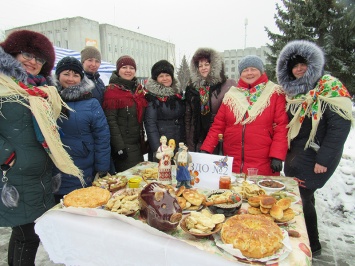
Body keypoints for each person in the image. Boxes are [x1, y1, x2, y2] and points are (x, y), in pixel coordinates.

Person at [0, 30, 83, 266]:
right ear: (12, 53)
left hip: (42, 172)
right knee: (28, 234)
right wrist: (7, 155)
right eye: (27, 54)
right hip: (16, 174)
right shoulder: (3, 86)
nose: (33, 62)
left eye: (39, 58)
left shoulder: (42, 90)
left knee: (23, 233)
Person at [276, 40, 353, 256]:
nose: (299, 69)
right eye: (294, 66)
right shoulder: (293, 93)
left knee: (302, 198)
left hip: (316, 156)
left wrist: (324, 160)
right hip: (296, 156)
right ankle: (311, 241)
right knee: (305, 198)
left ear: (313, 64)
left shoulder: (329, 87)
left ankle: (312, 245)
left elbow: (339, 129)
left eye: (303, 64)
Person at [200, 55, 289, 176]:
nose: (249, 73)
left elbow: (281, 126)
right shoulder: (231, 95)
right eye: (245, 70)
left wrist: (277, 155)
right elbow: (218, 125)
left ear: (261, 71)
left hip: (262, 163)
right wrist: (207, 149)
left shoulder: (274, 93)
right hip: (232, 163)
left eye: (253, 69)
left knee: (259, 195)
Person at [53, 56, 111, 203]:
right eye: (66, 74)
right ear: (58, 76)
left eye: (75, 75)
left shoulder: (91, 102)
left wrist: (102, 167)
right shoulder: (47, 99)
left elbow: (102, 136)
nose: (71, 79)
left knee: (83, 205)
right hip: (55, 166)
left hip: (84, 165)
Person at [184, 47, 237, 152]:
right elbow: (188, 117)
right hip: (196, 138)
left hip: (219, 137)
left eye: (206, 64)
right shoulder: (192, 88)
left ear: (214, 65)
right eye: (200, 66)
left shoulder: (227, 85)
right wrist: (188, 139)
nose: (203, 68)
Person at [102, 55, 148, 172]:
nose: (128, 71)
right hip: (124, 146)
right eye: (124, 67)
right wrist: (119, 147)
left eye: (131, 68)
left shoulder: (138, 90)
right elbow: (111, 121)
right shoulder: (112, 92)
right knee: (130, 180)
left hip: (137, 144)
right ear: (118, 70)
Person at [144, 60, 185, 161]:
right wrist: (158, 149)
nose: (165, 78)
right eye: (161, 76)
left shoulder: (178, 95)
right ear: (156, 79)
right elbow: (150, 125)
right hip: (163, 145)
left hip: (177, 143)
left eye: (167, 75)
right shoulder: (152, 98)